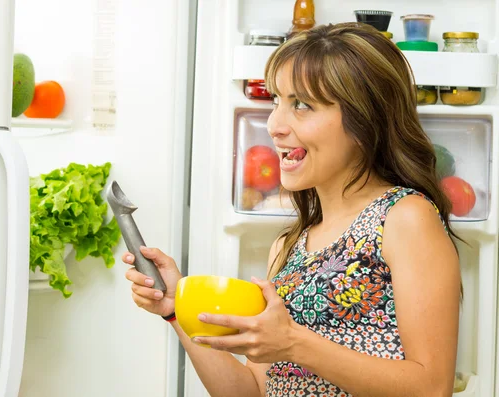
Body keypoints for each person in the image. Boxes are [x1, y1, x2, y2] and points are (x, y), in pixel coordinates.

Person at [122, 22, 461, 397]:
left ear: (364, 120)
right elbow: (251, 391)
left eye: (301, 105)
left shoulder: (404, 218)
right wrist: (175, 313)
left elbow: (432, 387)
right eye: (275, 101)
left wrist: (293, 343)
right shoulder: (289, 245)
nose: (274, 125)